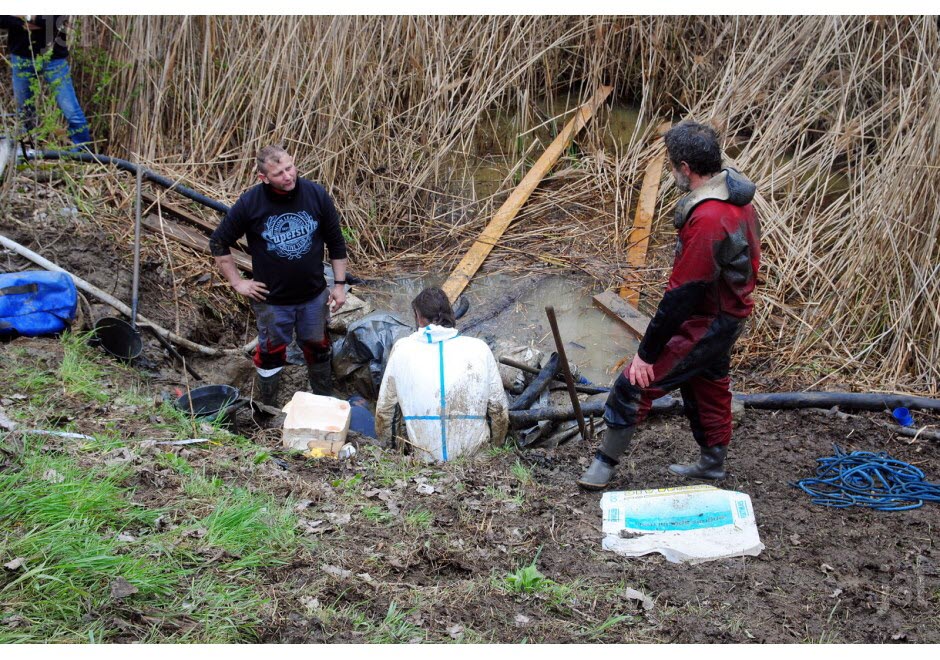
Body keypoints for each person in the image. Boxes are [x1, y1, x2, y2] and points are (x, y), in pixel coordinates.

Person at [578, 120, 761, 490]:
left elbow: (682, 294)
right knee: (706, 383)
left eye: (672, 165)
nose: (671, 171)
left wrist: (646, 353)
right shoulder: (733, 195)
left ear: (686, 168)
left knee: (633, 385)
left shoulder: (710, 218)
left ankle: (602, 467)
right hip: (727, 313)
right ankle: (711, 464)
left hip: (709, 319)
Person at [209, 145, 348, 405]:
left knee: (318, 348)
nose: (288, 176)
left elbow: (336, 243)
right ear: (263, 178)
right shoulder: (251, 203)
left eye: (289, 168)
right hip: (272, 301)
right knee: (271, 353)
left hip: (314, 296)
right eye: (278, 174)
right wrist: (237, 282)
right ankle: (268, 408)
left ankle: (324, 403)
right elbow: (218, 242)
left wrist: (339, 285)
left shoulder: (316, 194)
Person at [375, 287, 509, 461]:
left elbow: (385, 413)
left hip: (423, 458)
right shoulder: (479, 348)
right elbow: (498, 410)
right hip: (474, 461)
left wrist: (393, 452)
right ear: (450, 315)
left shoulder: (402, 349)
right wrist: (495, 448)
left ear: (419, 316)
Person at [1, 15, 92, 149]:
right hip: (21, 57)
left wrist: (25, 16)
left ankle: (82, 151)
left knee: (71, 110)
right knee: (24, 111)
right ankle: (27, 149)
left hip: (53, 58)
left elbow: (55, 20)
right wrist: (25, 22)